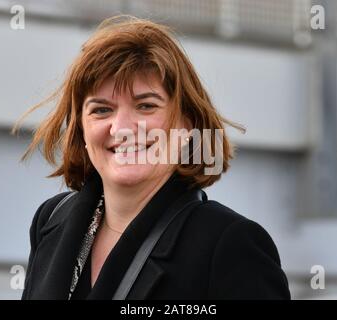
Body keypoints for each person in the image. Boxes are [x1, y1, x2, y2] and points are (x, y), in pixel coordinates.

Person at [15, 15, 290, 300]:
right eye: (101, 110)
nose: (121, 128)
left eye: (145, 106)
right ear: (80, 129)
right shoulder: (51, 220)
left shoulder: (230, 245)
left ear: (187, 125)